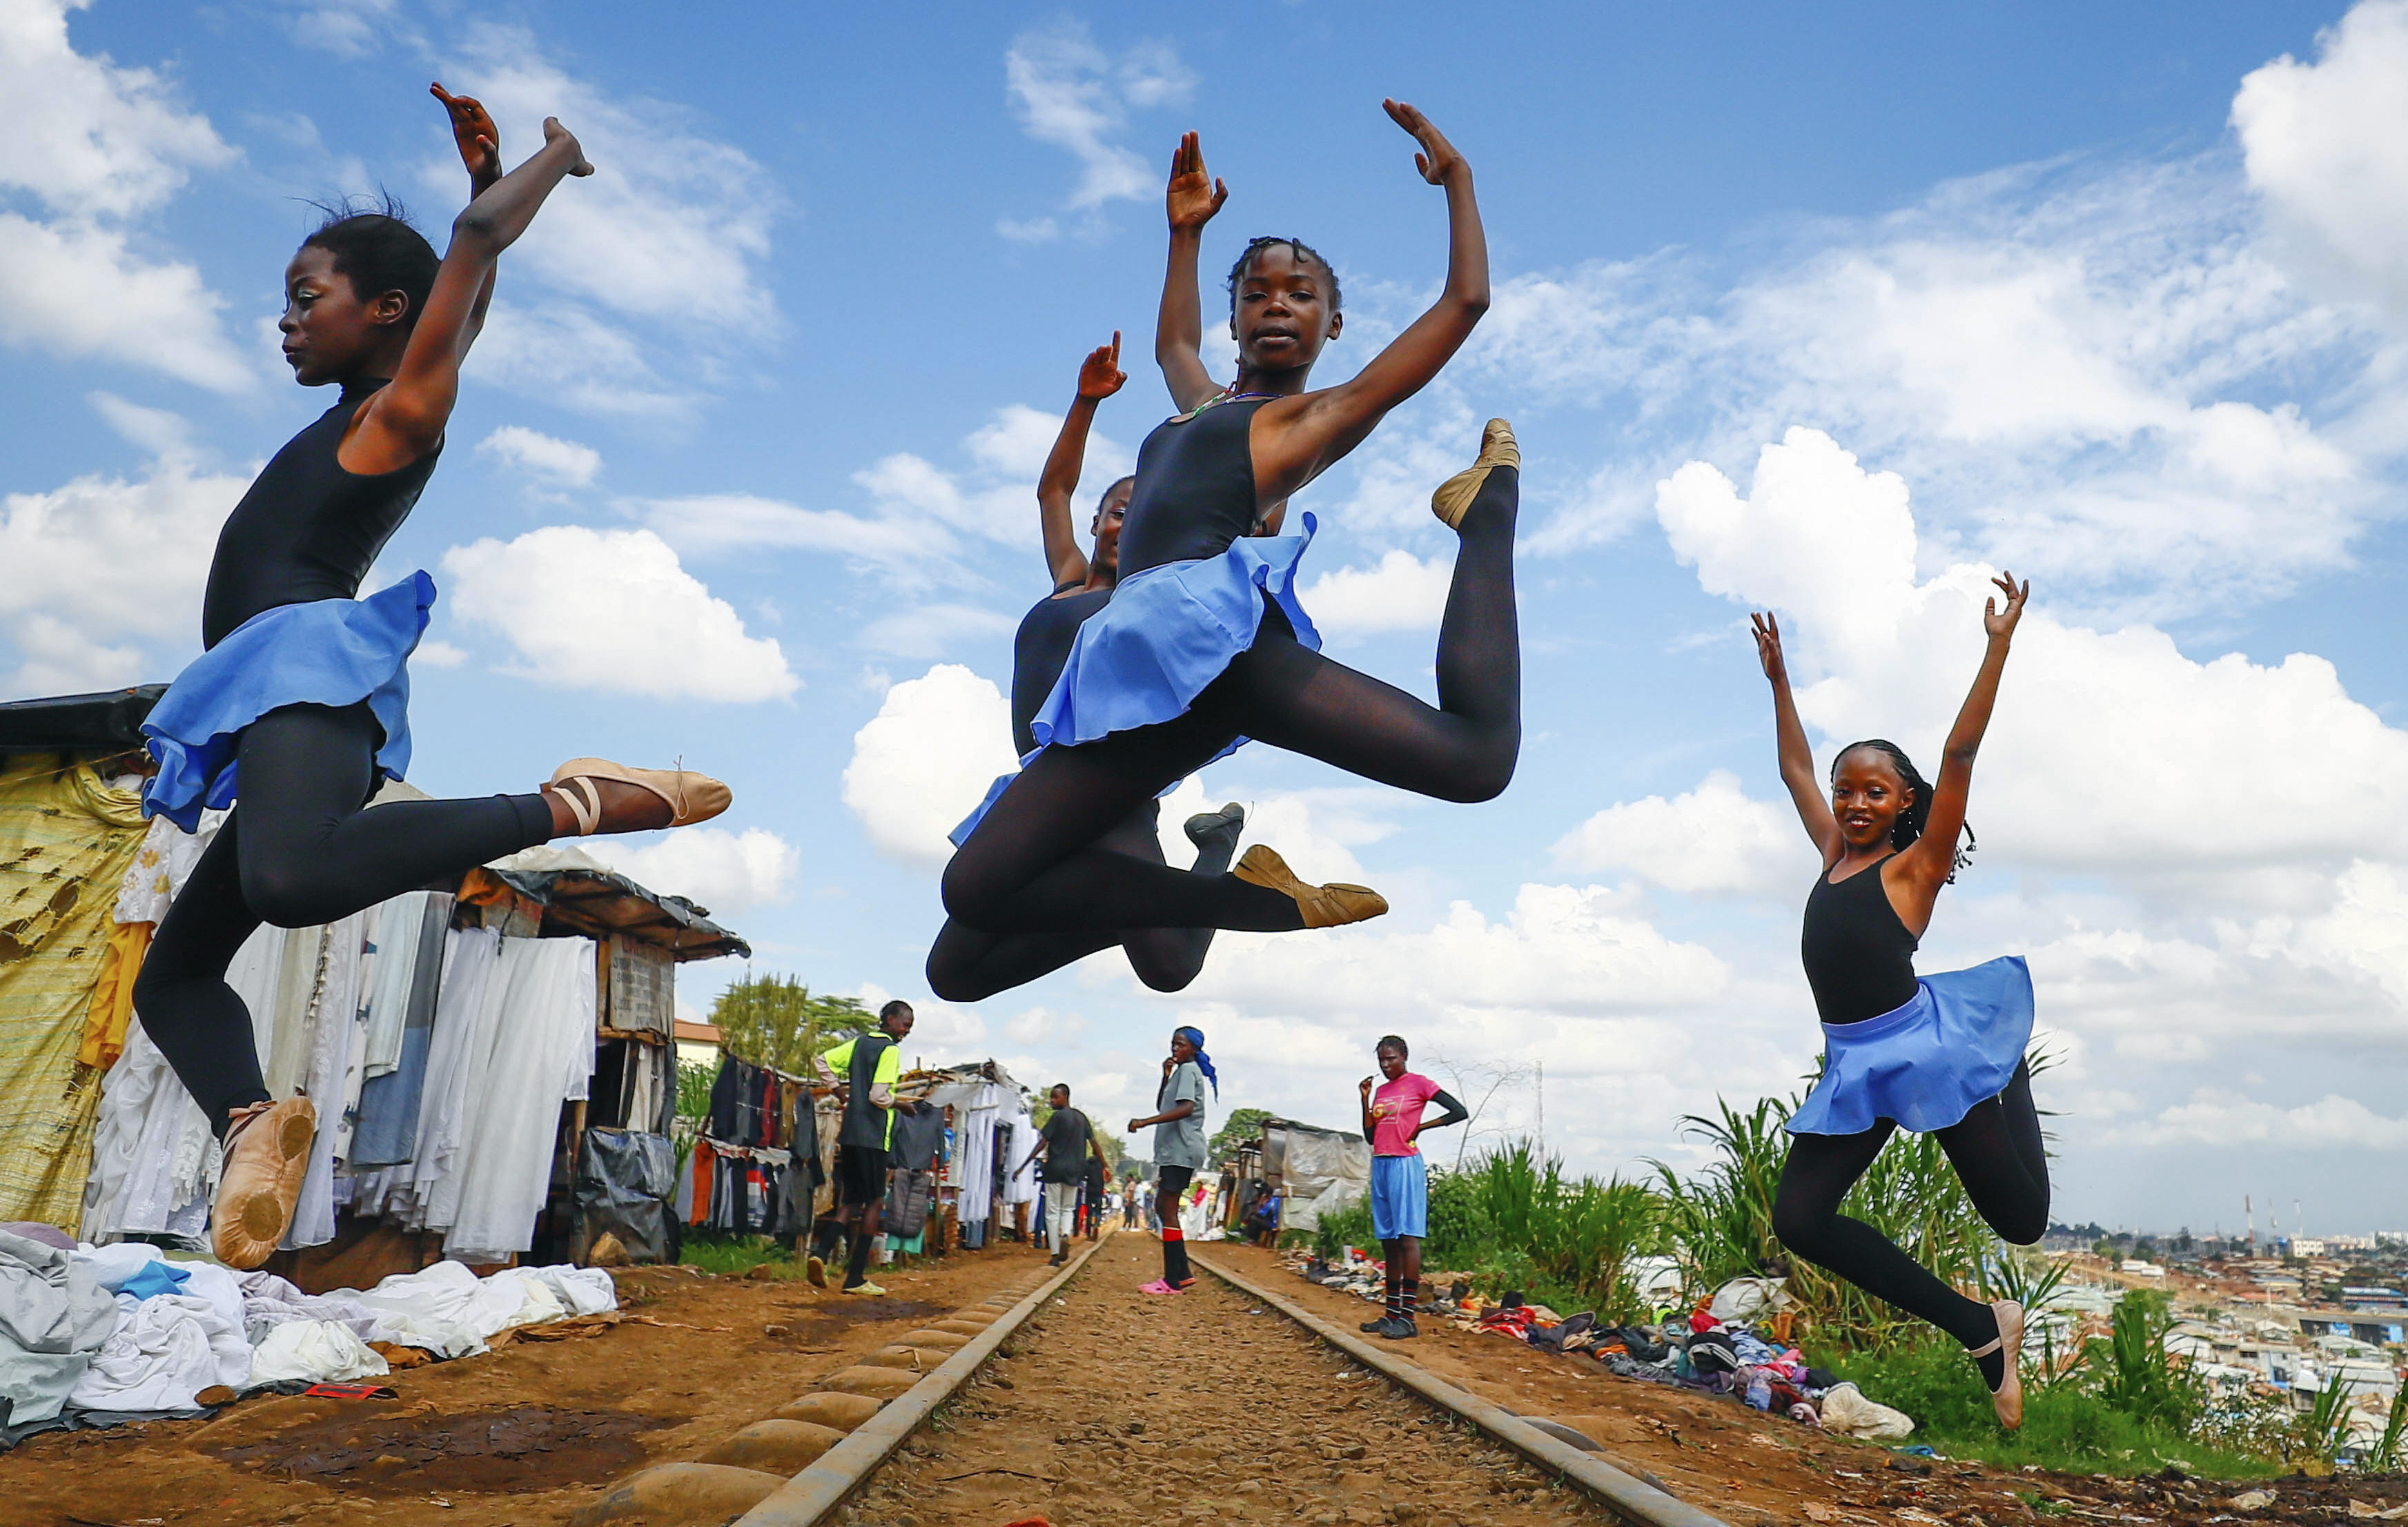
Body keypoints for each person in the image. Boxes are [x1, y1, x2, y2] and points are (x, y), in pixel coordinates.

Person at [131, 88, 731, 1272]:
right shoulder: (377, 400)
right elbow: (458, 294)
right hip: (274, 709)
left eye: (307, 299)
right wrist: (477, 186)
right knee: (176, 977)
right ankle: (253, 1123)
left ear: (386, 312)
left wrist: (541, 164)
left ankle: (570, 803)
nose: (285, 322)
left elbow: (470, 266)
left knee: (292, 877)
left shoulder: (397, 416)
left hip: (305, 676)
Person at [938, 103, 1518, 993]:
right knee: (974, 905)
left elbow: (1464, 301)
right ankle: (1268, 901)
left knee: (1476, 763)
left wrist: (1460, 183)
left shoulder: (1306, 421)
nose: (1276, 304)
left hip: (1210, 649)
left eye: (1301, 294)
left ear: (1334, 323)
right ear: (1238, 318)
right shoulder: (1202, 403)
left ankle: (1485, 514)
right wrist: (1184, 237)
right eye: (1257, 293)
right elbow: (1174, 340)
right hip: (1150, 674)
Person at [1754, 578, 2046, 1429]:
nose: (1851, 800)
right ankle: (1978, 1326)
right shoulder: (1830, 852)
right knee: (1801, 1217)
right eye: (1848, 789)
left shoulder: (1911, 870)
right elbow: (1794, 768)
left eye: (1873, 791)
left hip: (1928, 1054)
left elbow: (1958, 756)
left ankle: (2007, 1066)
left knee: (2022, 1220)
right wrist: (1780, 681)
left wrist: (1996, 646)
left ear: (1904, 803)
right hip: (1857, 1064)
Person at [926, 335, 1246, 1001]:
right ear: (1098, 521)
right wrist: (1084, 402)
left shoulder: (1154, 600)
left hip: (1106, 793)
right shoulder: (1068, 583)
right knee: (953, 974)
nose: (1124, 526)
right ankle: (1121, 901)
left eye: (1141, 515)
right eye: (1116, 513)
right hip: (1038, 790)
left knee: (1169, 969)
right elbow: (1053, 488)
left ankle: (1214, 848)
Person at [1356, 1036, 1467, 1338]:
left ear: (1404, 1056)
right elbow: (1370, 1135)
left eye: (1391, 1058)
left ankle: (1408, 1317)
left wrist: (1422, 1127)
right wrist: (1365, 1098)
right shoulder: (1381, 1090)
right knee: (1388, 1241)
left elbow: (1459, 1112)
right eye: (1381, 1060)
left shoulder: (1419, 1084)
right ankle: (1390, 1314)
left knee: (1407, 1237)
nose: (1386, 1064)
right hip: (1381, 1163)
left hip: (1405, 1164)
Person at [809, 1001, 917, 1294]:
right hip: (872, 1136)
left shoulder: (859, 1044)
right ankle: (855, 1278)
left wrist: (838, 1090)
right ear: (890, 1019)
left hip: (850, 1134)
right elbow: (879, 1095)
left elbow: (822, 1061)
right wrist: (902, 1105)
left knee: (850, 1202)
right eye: (905, 1023)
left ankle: (819, 1253)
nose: (907, 1030)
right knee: (875, 1202)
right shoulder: (890, 1050)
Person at [1127, 1026, 1215, 1293]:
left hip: (1181, 1149)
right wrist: (1165, 1077)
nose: (1175, 1049)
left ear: (1194, 1049)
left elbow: (1186, 1107)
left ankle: (1173, 1279)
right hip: (1175, 1150)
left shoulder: (1189, 1070)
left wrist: (1144, 1122)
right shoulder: (1181, 1071)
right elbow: (1164, 1105)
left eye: (1181, 1045)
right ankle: (1182, 1273)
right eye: (1173, 1044)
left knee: (1167, 1208)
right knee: (1164, 1208)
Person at [1017, 1083, 1110, 1266]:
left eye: (1055, 1097)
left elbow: (1042, 1143)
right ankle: (1065, 1234)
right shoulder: (1081, 1118)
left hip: (1054, 1170)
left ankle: (1055, 1253)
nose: (1052, 1101)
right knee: (1068, 1208)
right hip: (1075, 1171)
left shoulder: (1057, 1117)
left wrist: (1024, 1165)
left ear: (1065, 1097)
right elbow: (1094, 1144)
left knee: (1052, 1212)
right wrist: (1105, 1165)